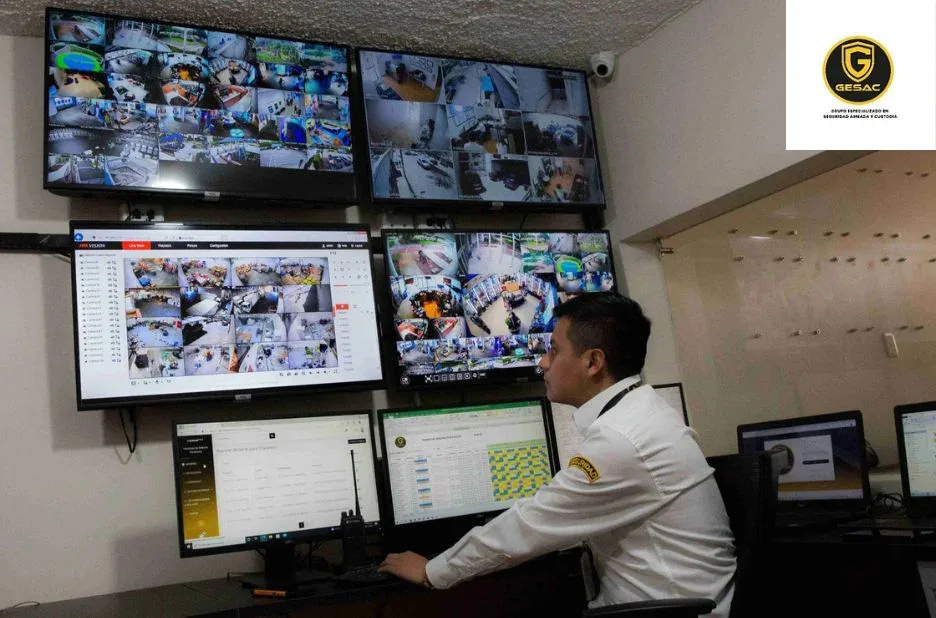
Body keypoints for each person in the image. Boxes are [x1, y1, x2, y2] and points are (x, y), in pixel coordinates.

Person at [379, 292, 736, 616]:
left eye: (553, 350)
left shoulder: (621, 440)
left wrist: (433, 570)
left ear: (593, 362)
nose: (543, 363)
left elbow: (529, 525)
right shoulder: (642, 412)